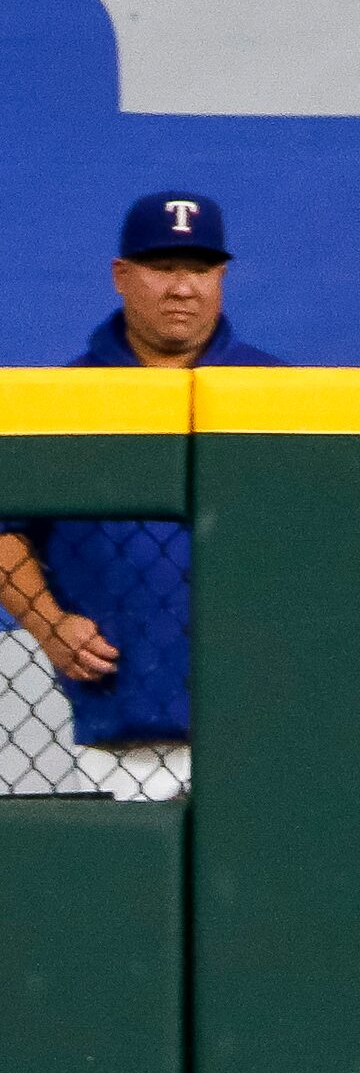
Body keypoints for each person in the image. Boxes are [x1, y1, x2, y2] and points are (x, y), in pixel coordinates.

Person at [0, 191, 282, 799]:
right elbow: (3, 528)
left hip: (270, 718)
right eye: (162, 269)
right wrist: (49, 625)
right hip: (126, 727)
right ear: (122, 277)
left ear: (223, 279)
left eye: (200, 270)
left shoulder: (279, 395)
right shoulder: (65, 402)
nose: (183, 288)